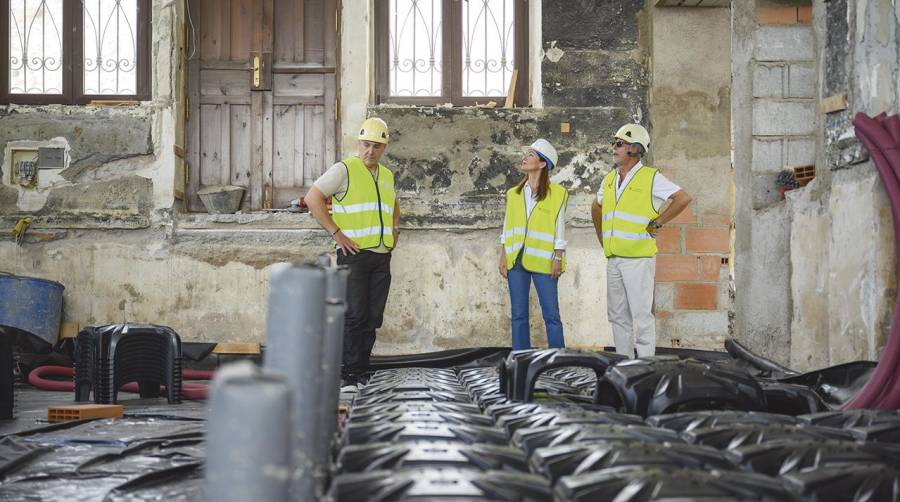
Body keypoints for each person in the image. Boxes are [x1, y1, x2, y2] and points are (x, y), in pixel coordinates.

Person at [305, 117, 399, 385]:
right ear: (359, 144)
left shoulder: (387, 175)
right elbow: (313, 198)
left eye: (377, 146)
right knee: (355, 315)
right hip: (354, 255)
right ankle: (348, 372)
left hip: (382, 255)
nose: (370, 151)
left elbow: (394, 205)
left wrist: (395, 230)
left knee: (372, 317)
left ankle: (362, 369)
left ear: (384, 148)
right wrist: (336, 233)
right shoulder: (344, 170)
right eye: (366, 145)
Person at [591, 124, 692, 358]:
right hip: (614, 258)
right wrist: (602, 237)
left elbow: (683, 198)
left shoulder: (651, 177)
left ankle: (646, 365)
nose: (613, 148)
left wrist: (658, 222)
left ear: (635, 149)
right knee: (617, 316)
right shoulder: (609, 179)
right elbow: (596, 206)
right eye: (613, 143)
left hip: (638, 259)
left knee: (641, 316)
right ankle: (624, 364)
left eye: (619, 144)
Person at [499, 139, 569, 350]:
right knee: (518, 315)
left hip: (545, 261)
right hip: (515, 259)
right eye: (526, 154)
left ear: (542, 163)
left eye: (530, 154)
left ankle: (558, 360)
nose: (525, 157)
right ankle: (521, 359)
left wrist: (558, 257)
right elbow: (507, 226)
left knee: (551, 315)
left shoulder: (558, 194)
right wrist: (503, 255)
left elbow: (560, 228)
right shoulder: (514, 193)